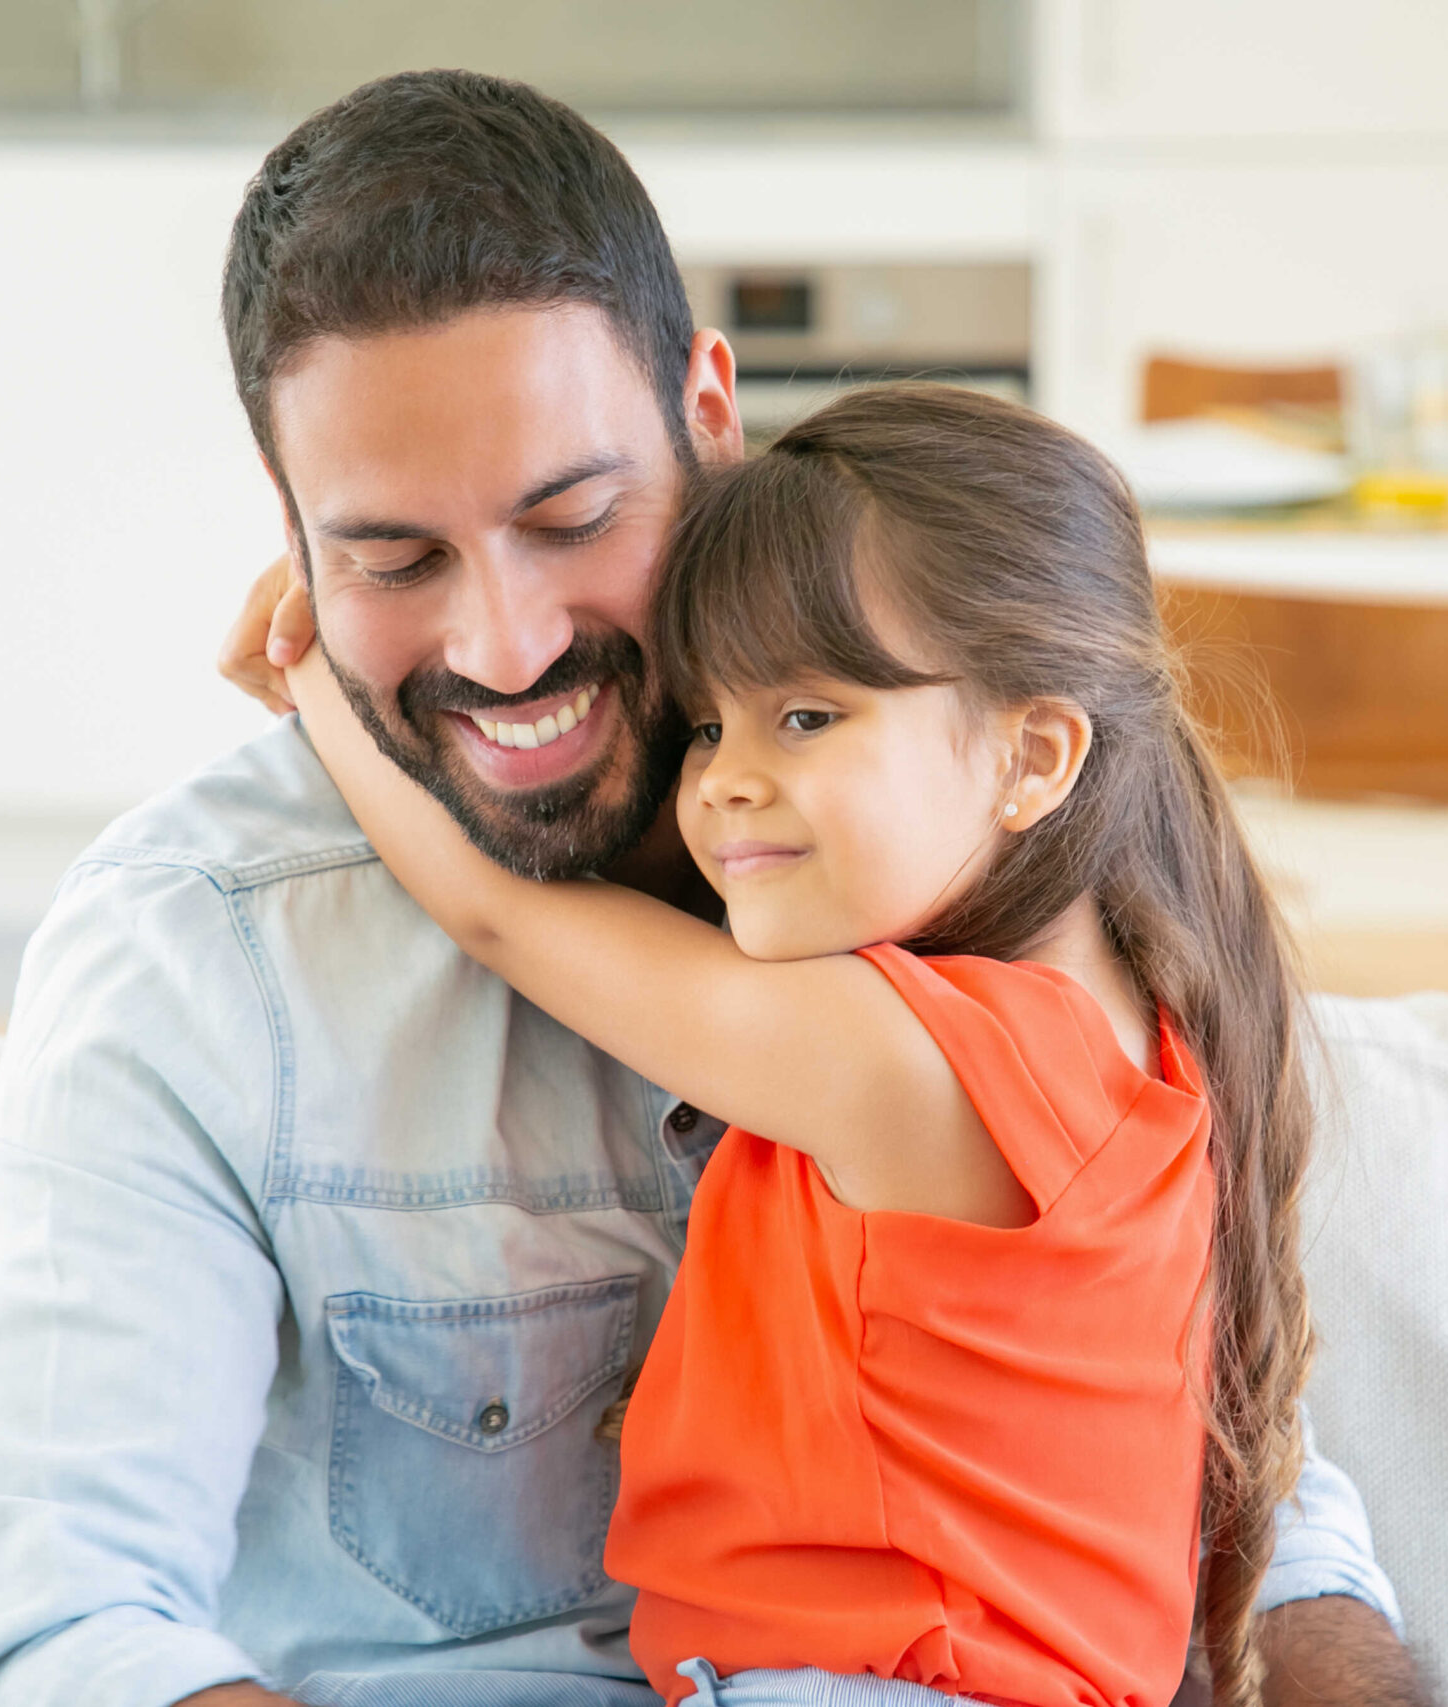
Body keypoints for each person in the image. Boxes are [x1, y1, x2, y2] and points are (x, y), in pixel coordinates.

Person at [0, 68, 1419, 1707]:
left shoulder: (959, 880)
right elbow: (43, 1639)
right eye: (394, 560)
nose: (509, 647)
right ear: (290, 537)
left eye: (572, 516)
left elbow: (1217, 1483)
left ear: (709, 413)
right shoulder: (199, 955)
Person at [283, 378, 1306, 1707]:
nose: (723, 781)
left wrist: (316, 670)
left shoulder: (912, 1065)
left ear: (1033, 756)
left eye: (808, 717)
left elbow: (502, 918)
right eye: (711, 720)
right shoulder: (1133, 1040)